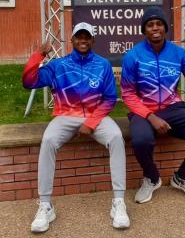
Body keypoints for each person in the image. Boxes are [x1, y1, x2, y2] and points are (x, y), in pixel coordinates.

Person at [23, 22, 130, 232]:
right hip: (65, 115)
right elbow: (28, 81)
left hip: (95, 116)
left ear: (92, 40)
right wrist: (39, 55)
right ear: (71, 40)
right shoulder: (58, 65)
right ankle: (45, 205)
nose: (83, 40)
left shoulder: (103, 65)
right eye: (79, 37)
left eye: (87, 37)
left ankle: (118, 202)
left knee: (117, 137)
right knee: (48, 141)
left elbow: (109, 99)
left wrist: (90, 123)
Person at [121, 6, 185, 204]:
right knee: (141, 141)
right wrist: (151, 117)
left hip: (173, 108)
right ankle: (152, 178)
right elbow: (128, 95)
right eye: (150, 24)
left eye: (159, 24)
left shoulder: (178, 53)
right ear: (144, 30)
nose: (155, 28)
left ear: (165, 28)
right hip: (144, 111)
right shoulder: (133, 56)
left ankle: (182, 177)